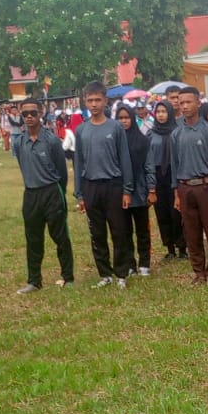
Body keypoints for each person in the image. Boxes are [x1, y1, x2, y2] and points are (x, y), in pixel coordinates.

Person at [72, 81, 136, 287]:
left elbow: (125, 159)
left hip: (113, 185)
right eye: (90, 100)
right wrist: (79, 194)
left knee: (119, 231)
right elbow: (78, 162)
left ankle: (121, 274)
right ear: (85, 102)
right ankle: (104, 274)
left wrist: (127, 189)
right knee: (97, 232)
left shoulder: (116, 127)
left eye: (97, 100)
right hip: (91, 186)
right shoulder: (81, 130)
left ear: (105, 100)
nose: (94, 104)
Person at [13, 97, 75, 292]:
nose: (29, 117)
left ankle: (68, 277)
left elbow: (62, 172)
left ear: (41, 114)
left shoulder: (51, 141)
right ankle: (34, 281)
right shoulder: (19, 142)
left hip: (52, 191)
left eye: (33, 113)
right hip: (31, 194)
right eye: (25, 114)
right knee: (33, 238)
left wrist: (60, 194)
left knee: (60, 236)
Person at [170, 85, 208, 283]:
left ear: (198, 103)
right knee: (191, 231)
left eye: (188, 102)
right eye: (181, 102)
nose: (184, 106)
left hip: (206, 186)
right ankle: (198, 271)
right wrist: (177, 194)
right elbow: (174, 166)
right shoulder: (176, 134)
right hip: (185, 187)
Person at [116, 103, 158, 276]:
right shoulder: (113, 141)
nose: (124, 121)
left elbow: (149, 166)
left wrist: (151, 189)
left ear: (132, 119)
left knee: (142, 230)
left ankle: (144, 263)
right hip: (119, 192)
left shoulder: (142, 140)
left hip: (140, 191)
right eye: (120, 118)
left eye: (126, 118)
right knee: (124, 231)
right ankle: (130, 264)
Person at [148, 100, 185, 260]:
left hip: (174, 172)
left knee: (177, 212)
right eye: (158, 112)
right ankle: (169, 248)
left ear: (170, 113)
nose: (161, 115)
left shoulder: (178, 131)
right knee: (162, 212)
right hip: (157, 175)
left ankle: (182, 247)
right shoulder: (150, 134)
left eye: (164, 111)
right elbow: (147, 158)